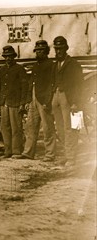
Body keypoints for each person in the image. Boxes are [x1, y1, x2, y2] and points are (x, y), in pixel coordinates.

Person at [51, 36, 83, 167]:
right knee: (60, 128)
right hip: (56, 96)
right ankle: (66, 155)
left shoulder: (74, 64)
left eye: (61, 49)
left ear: (66, 49)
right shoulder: (55, 64)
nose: (58, 51)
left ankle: (71, 157)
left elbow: (79, 85)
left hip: (68, 98)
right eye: (56, 49)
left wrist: (76, 102)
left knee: (71, 128)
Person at [21, 40, 56, 161]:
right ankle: (28, 152)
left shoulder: (51, 65)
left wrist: (47, 101)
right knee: (30, 126)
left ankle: (50, 154)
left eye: (41, 50)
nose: (38, 53)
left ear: (46, 52)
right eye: (37, 51)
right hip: (33, 98)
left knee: (47, 128)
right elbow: (31, 83)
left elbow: (51, 85)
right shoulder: (36, 65)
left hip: (44, 99)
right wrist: (28, 100)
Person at [0, 45, 27, 158]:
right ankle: (7, 150)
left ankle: (16, 151)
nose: (8, 59)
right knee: (4, 127)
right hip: (4, 103)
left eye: (10, 56)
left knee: (16, 127)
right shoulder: (2, 70)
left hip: (15, 102)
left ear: (14, 57)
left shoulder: (19, 69)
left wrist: (23, 102)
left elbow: (24, 86)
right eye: (6, 57)